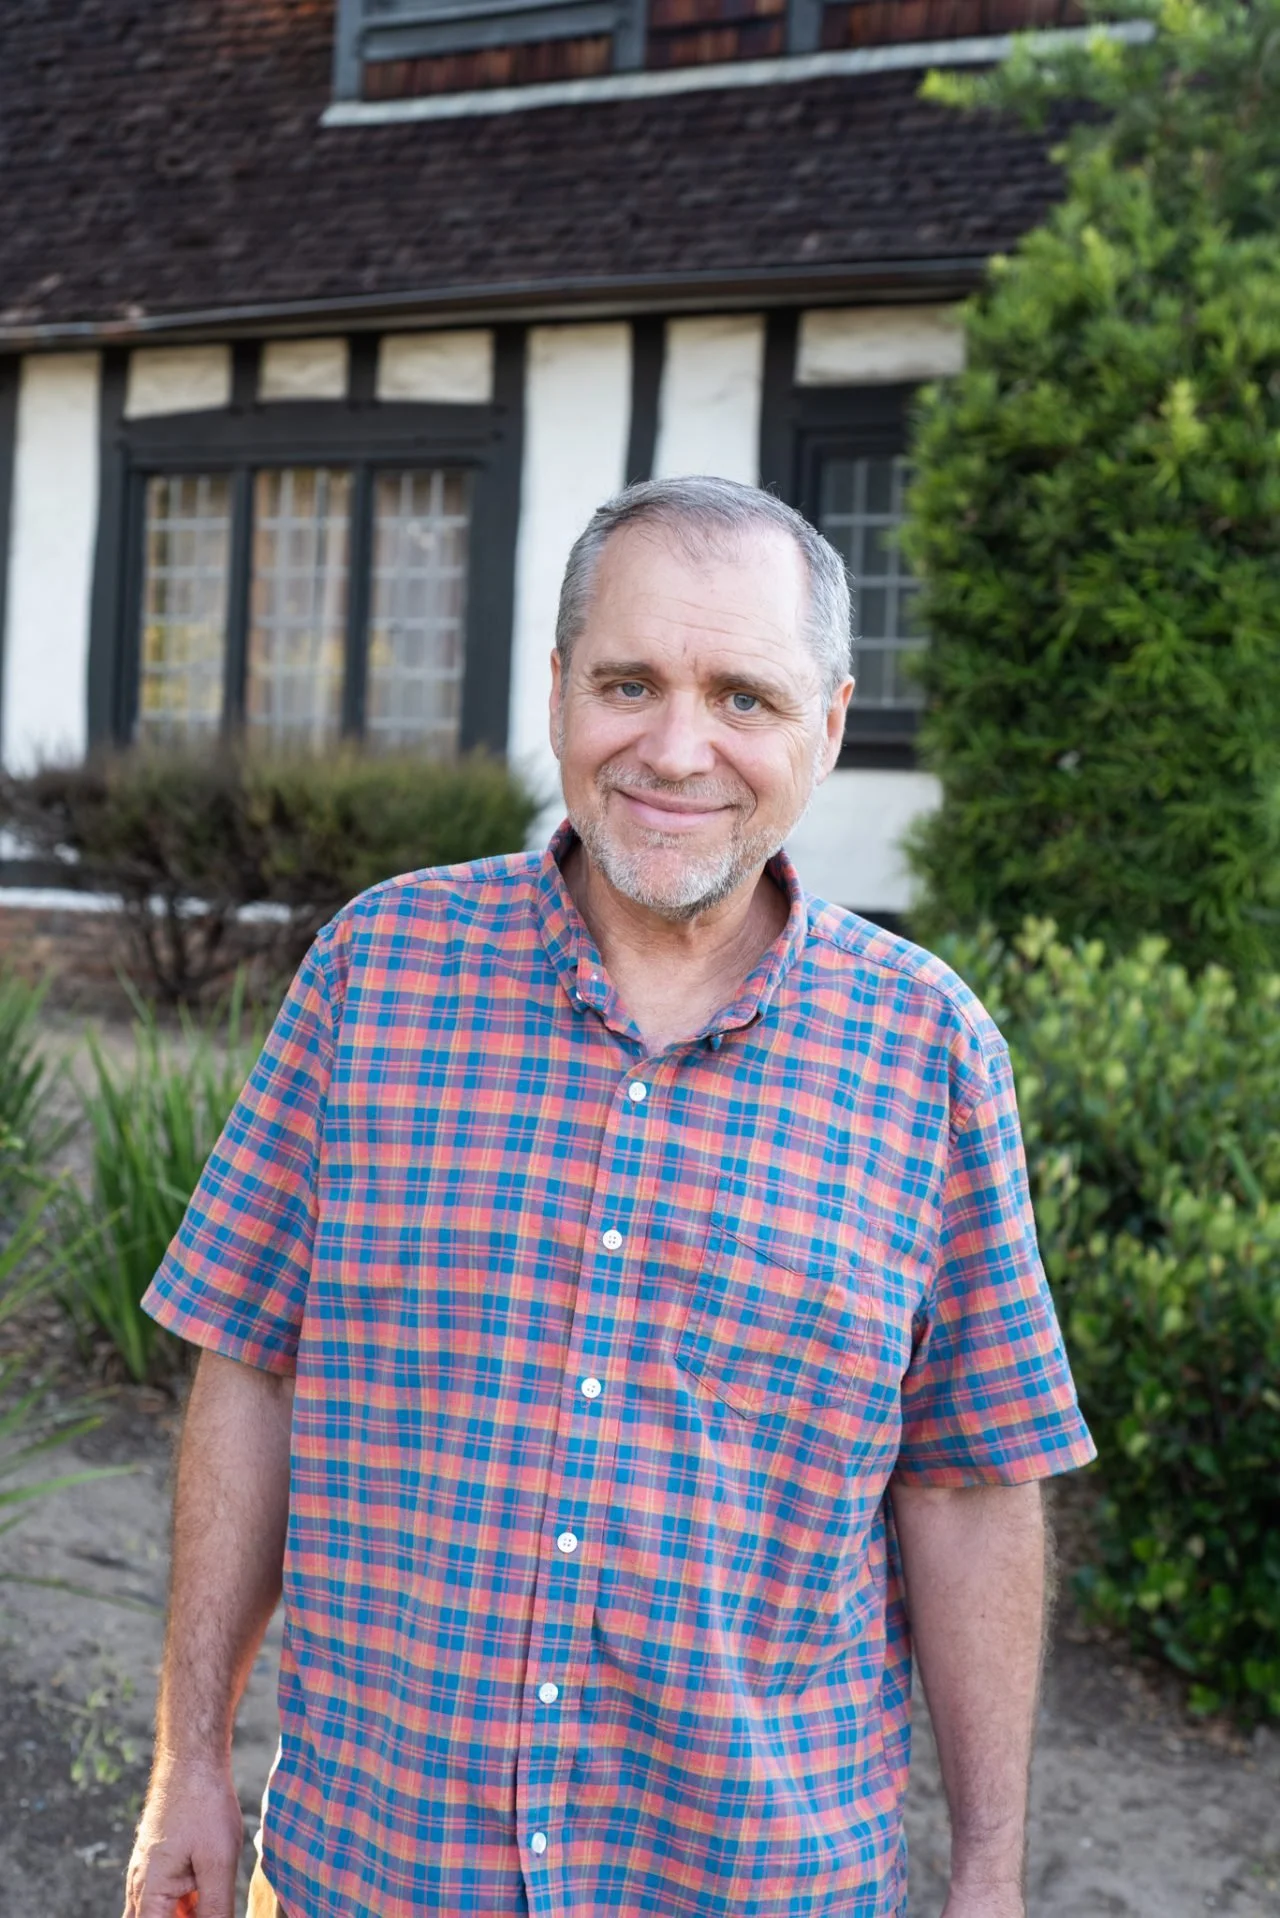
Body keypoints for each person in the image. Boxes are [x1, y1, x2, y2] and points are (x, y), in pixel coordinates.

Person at [124, 476, 1094, 1918]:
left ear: (827, 727)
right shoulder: (374, 974)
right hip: (373, 1871)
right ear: (559, 688)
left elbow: (964, 1485)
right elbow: (251, 1370)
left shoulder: (926, 1053)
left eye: (744, 698)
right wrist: (185, 1763)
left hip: (758, 1884)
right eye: (629, 681)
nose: (676, 745)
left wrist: (990, 1876)